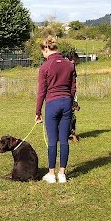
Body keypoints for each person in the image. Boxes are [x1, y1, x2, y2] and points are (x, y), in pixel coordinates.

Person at [35, 36, 77, 183]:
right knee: (64, 140)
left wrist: (38, 111)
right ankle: (62, 174)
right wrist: (70, 102)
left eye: (43, 52)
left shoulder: (45, 67)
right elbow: (73, 87)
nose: (43, 55)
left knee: (52, 140)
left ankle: (51, 174)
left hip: (52, 104)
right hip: (66, 103)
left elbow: (41, 91)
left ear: (46, 49)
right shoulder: (69, 65)